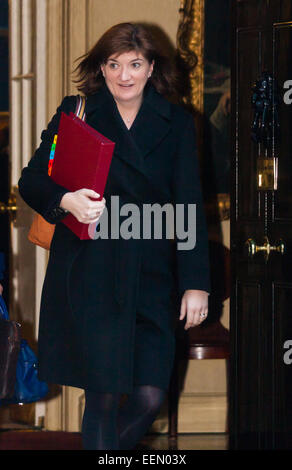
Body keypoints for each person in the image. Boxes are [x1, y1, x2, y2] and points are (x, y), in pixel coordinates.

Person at [18, 22, 210, 450]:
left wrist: (196, 282)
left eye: (135, 64)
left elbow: (189, 205)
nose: (125, 75)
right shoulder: (77, 113)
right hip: (92, 273)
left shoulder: (176, 122)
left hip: (152, 276)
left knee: (149, 395)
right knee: (102, 397)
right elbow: (30, 180)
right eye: (114, 64)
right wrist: (67, 200)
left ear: (151, 67)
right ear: (101, 68)